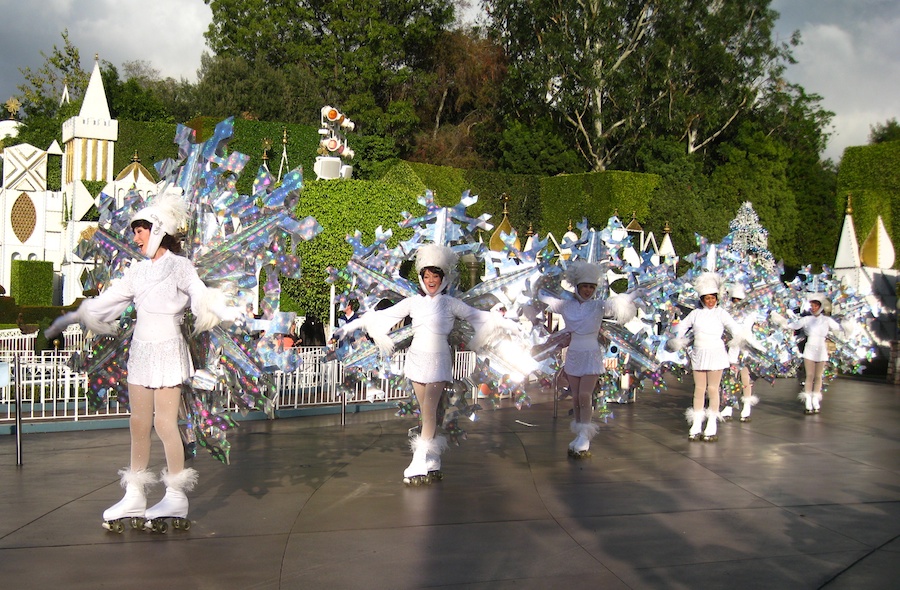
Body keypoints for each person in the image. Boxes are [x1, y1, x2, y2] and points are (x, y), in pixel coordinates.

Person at [45, 191, 240, 531]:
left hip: (167, 349)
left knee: (165, 424)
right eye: (134, 230)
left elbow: (198, 294)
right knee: (138, 423)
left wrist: (217, 307)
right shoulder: (136, 271)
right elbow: (111, 300)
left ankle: (176, 496)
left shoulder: (180, 266)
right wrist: (78, 315)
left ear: (158, 230)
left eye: (140, 230)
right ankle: (134, 493)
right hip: (141, 350)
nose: (135, 237)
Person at [332, 244, 497, 485]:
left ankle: (419, 459)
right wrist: (347, 328)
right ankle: (433, 459)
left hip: (439, 360)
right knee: (426, 413)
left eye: (435, 276)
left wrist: (504, 322)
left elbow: (479, 316)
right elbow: (379, 317)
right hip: (416, 360)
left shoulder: (450, 304)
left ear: (443, 278)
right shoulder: (413, 303)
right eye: (426, 276)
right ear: (421, 278)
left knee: (429, 412)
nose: (431, 280)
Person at [538, 260, 638, 458]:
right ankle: (580, 434)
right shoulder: (566, 306)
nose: (588, 290)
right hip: (574, 353)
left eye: (591, 287)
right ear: (577, 287)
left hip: (591, 353)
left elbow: (619, 303)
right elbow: (545, 298)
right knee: (575, 397)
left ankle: (585, 437)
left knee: (585, 395)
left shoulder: (598, 306)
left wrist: (634, 294)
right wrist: (539, 283)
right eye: (585, 286)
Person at [668, 273, 755, 442]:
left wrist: (742, 338)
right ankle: (696, 423)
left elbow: (734, 328)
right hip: (699, 354)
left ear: (717, 298)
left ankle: (712, 423)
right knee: (699, 389)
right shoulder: (695, 314)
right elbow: (680, 327)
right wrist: (676, 339)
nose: (710, 301)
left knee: (713, 389)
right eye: (706, 298)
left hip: (716, 354)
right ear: (702, 299)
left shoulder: (721, 313)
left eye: (712, 298)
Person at [778, 294, 842, 414]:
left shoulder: (827, 320)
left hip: (821, 348)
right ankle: (808, 401)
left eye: (815, 305)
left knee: (818, 376)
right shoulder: (807, 319)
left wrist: (849, 324)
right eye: (812, 305)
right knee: (810, 375)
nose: (813, 308)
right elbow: (793, 325)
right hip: (810, 348)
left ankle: (815, 399)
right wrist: (781, 321)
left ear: (820, 306)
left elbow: (839, 327)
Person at [724, 284, 760, 422]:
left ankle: (746, 406)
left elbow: (747, 331)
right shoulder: (728, 314)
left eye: (739, 300)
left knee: (745, 378)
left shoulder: (751, 314)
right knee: (730, 378)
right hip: (732, 350)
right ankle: (728, 406)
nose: (736, 303)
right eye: (734, 300)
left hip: (745, 350)